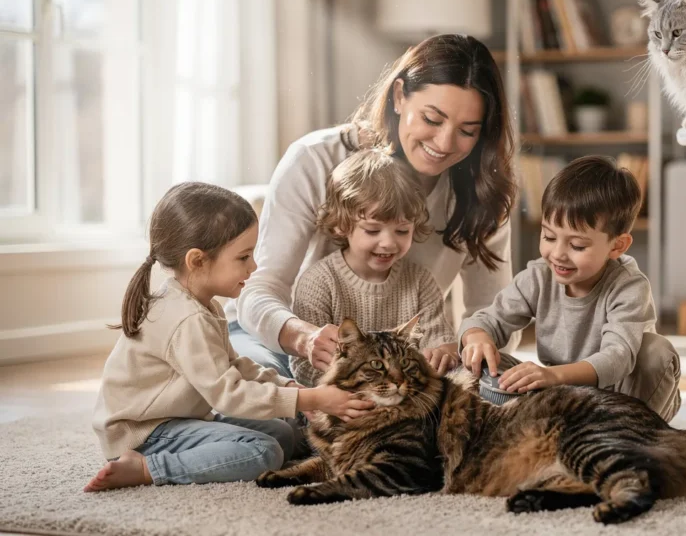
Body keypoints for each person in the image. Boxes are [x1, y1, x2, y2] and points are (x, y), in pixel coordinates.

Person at [230, 34, 517, 378]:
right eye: (432, 119)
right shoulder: (316, 158)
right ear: (399, 96)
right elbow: (261, 288)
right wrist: (303, 338)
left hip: (395, 367)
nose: (444, 143)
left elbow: (495, 314)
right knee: (259, 396)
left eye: (467, 131)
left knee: (502, 389)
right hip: (282, 343)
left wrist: (459, 347)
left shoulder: (481, 192)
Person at [86, 182, 373, 492]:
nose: (254, 266)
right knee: (264, 452)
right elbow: (229, 395)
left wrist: (289, 387)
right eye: (243, 257)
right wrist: (311, 398)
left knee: (284, 432)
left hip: (178, 418)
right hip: (146, 433)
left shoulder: (204, 304)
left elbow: (235, 366)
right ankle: (146, 467)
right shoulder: (187, 318)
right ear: (197, 261)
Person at [458, 156, 682, 421]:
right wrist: (477, 337)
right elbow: (486, 319)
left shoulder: (629, 287)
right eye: (549, 237)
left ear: (617, 246)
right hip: (565, 393)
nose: (558, 254)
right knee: (480, 362)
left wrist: (552, 376)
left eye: (577, 246)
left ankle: (635, 437)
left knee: (656, 351)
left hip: (628, 397)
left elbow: (617, 359)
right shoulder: (539, 276)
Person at [288, 148, 457, 387]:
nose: (388, 242)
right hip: (340, 402)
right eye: (372, 230)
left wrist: (443, 353)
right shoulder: (319, 282)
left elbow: (440, 339)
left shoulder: (420, 280)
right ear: (342, 225)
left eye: (402, 230)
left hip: (404, 395)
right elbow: (304, 366)